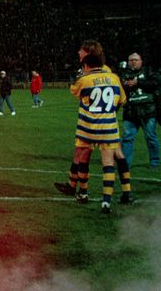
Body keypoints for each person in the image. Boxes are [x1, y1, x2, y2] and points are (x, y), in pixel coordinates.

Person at [55, 40, 133, 205]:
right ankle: (74, 186)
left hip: (93, 122)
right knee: (87, 153)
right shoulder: (107, 73)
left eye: (81, 51)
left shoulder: (96, 72)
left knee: (88, 154)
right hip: (105, 123)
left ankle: (82, 191)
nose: (78, 53)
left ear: (89, 54)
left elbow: (80, 90)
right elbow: (119, 97)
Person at [69, 54, 128, 214]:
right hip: (108, 127)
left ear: (86, 66)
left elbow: (74, 91)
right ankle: (106, 202)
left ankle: (83, 192)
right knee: (108, 163)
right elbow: (122, 100)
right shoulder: (114, 78)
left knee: (83, 157)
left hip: (88, 127)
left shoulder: (85, 80)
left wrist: (81, 78)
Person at [121, 53, 161, 168]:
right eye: (131, 60)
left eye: (136, 60)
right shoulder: (124, 74)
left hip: (147, 110)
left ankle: (154, 163)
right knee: (127, 138)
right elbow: (120, 89)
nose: (133, 62)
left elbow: (156, 83)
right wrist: (125, 85)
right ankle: (126, 164)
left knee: (151, 137)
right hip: (130, 111)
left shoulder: (148, 71)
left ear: (141, 61)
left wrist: (138, 82)